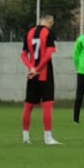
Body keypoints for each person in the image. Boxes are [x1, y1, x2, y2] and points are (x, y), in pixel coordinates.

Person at [22, 13, 61, 145]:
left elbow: (23, 55)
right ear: (49, 22)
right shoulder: (48, 33)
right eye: (51, 24)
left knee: (28, 106)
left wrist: (31, 68)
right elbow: (48, 55)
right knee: (48, 104)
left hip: (32, 74)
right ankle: (48, 137)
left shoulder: (29, 32)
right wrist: (38, 69)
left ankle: (25, 137)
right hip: (44, 73)